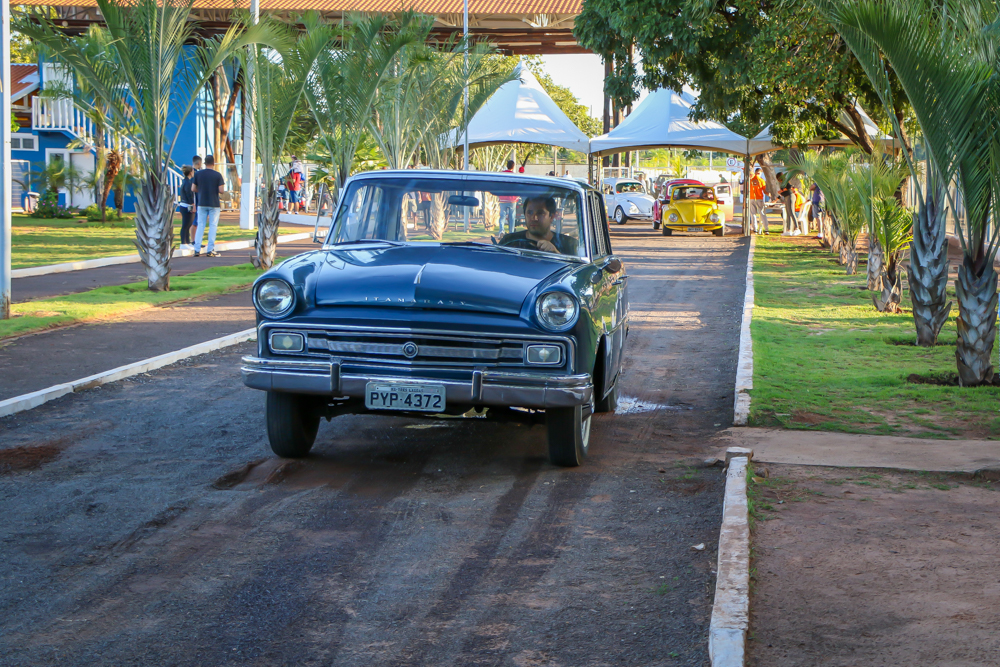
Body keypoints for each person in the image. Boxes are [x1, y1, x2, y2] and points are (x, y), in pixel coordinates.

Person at [500, 196, 578, 255]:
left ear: (552, 217)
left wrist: (556, 254)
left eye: (540, 213)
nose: (534, 218)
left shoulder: (570, 245)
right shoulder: (508, 242)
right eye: (529, 213)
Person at [191, 155, 225, 257]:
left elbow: (193, 188)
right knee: (213, 226)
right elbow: (221, 190)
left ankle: (197, 249)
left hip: (201, 203)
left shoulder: (198, 174)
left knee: (200, 225)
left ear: (205, 163)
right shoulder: (218, 175)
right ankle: (210, 249)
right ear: (213, 163)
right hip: (214, 203)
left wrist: (200, 191)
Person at [178, 165, 196, 245]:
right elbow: (189, 195)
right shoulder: (187, 183)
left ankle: (187, 242)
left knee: (188, 225)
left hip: (185, 205)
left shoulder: (186, 181)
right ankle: (183, 243)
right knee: (185, 225)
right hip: (186, 206)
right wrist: (193, 204)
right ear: (190, 172)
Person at [498, 159, 518, 233]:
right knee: (512, 216)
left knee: (502, 216)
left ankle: (501, 230)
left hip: (503, 198)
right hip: (512, 199)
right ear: (513, 167)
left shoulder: (501, 175)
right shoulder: (514, 175)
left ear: (507, 166)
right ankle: (511, 232)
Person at [747, 166, 767, 235]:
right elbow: (765, 191)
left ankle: (755, 229)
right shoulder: (762, 180)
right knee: (762, 214)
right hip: (759, 199)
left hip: (751, 199)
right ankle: (766, 229)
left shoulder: (750, 180)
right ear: (760, 173)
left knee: (753, 214)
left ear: (755, 173)